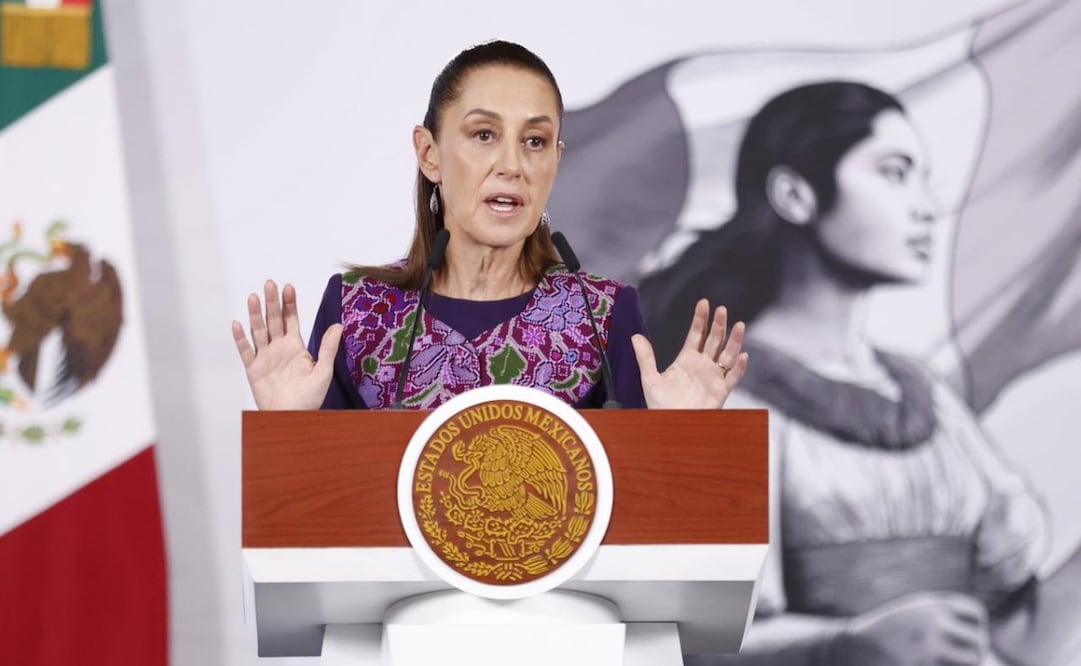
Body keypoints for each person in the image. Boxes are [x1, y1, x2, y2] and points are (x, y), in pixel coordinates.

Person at [641, 81, 1081, 665]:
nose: (926, 206)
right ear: (795, 194)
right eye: (895, 173)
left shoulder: (928, 399)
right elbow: (689, 646)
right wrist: (847, 644)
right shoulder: (711, 396)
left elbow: (1019, 640)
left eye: (924, 179)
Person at [231, 40, 748, 414]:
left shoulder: (603, 313)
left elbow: (647, 519)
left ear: (555, 163)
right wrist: (288, 427)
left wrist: (682, 433)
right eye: (483, 134)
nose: (512, 164)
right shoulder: (358, 309)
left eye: (536, 141)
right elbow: (318, 518)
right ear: (429, 154)